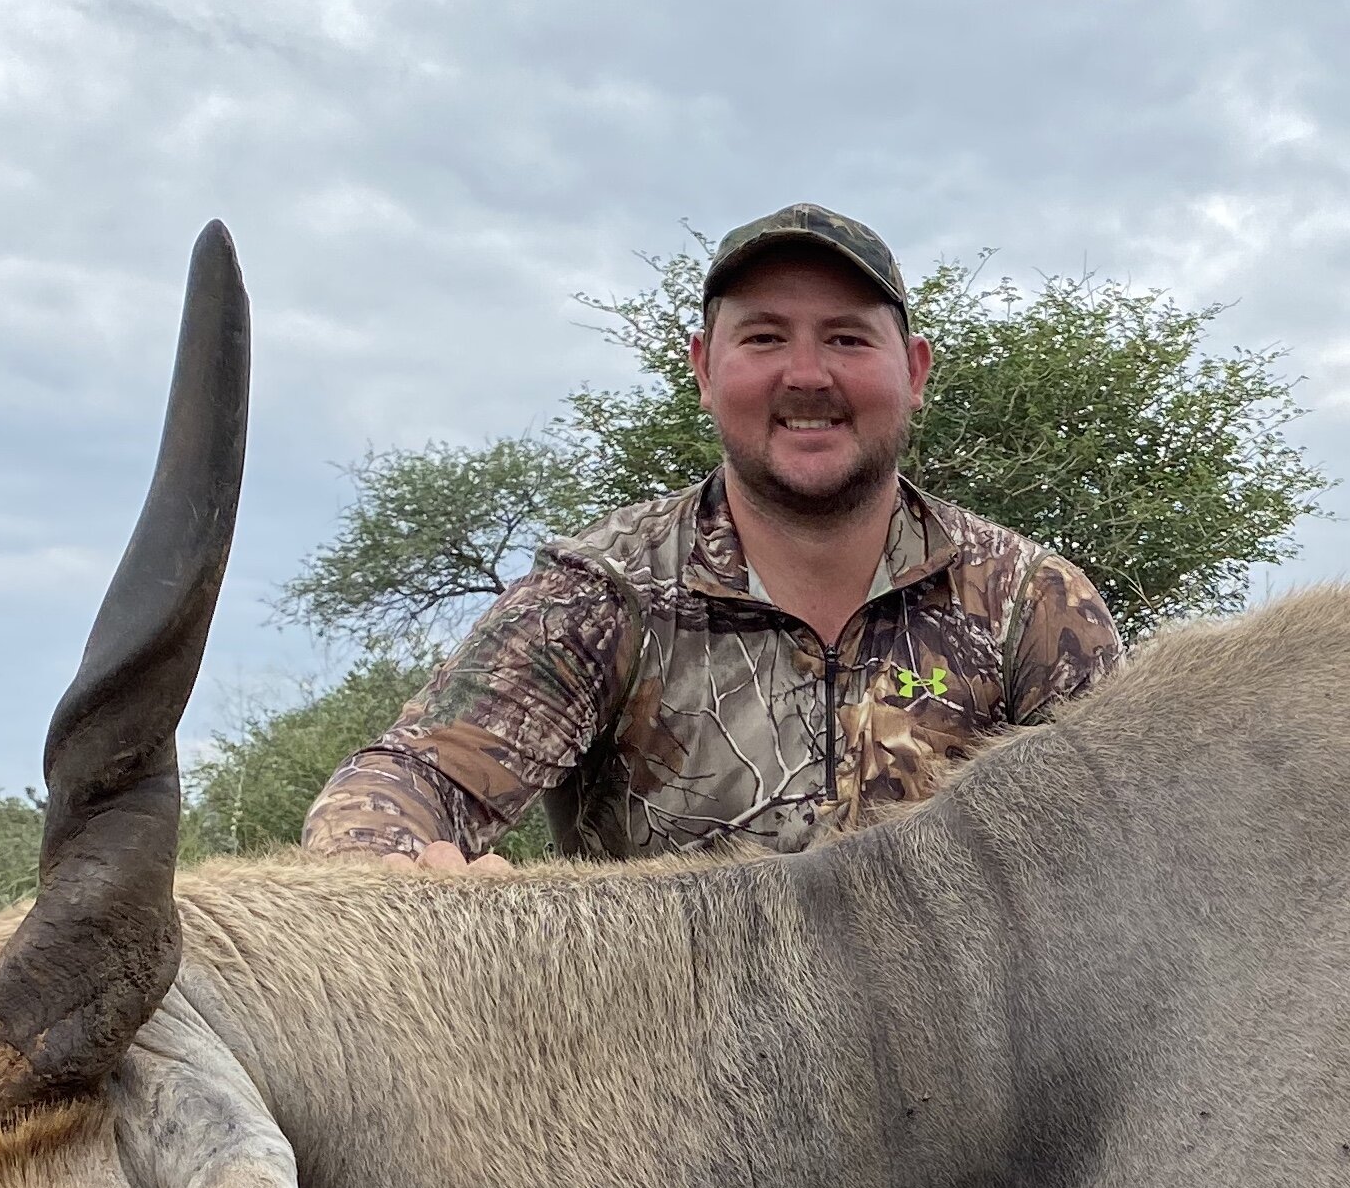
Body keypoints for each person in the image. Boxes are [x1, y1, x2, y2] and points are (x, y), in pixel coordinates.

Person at [301, 204, 1123, 870]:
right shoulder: (606, 588)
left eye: (845, 337)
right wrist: (380, 866)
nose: (806, 375)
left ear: (912, 372)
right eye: (763, 338)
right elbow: (412, 774)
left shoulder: (1029, 600)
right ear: (703, 369)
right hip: (660, 1064)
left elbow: (1128, 841)